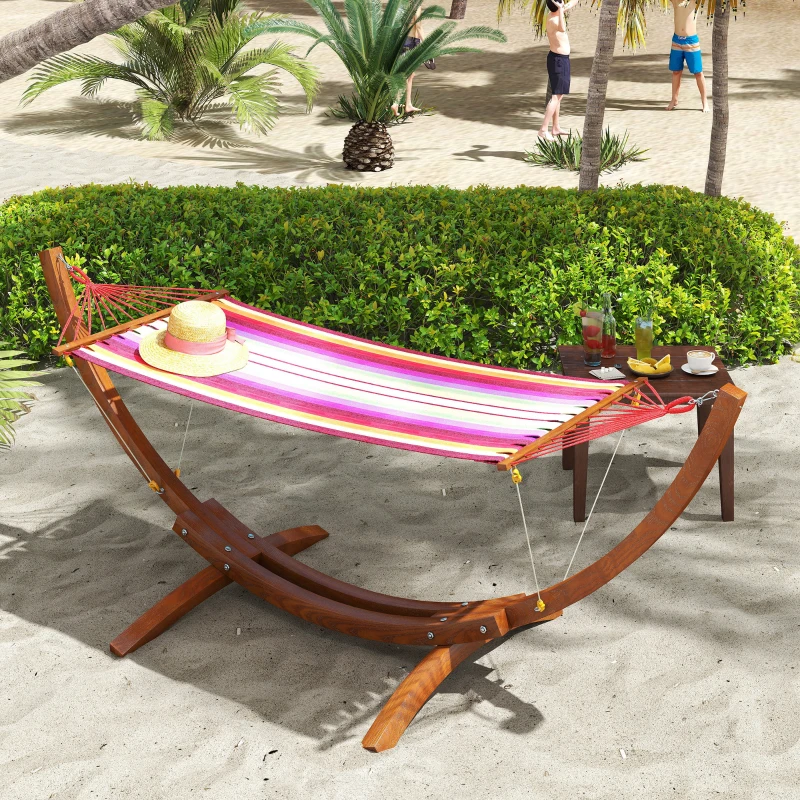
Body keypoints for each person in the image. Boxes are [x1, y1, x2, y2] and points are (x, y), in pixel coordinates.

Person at [538, 0, 580, 141]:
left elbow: (571, 4)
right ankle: (543, 129)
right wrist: (562, 9)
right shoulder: (556, 19)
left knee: (557, 94)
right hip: (559, 61)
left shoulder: (552, 14)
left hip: (555, 59)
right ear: (558, 6)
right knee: (557, 96)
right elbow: (562, 28)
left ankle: (555, 127)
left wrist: (566, 6)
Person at [666, 0, 709, 112]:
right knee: (676, 71)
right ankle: (674, 100)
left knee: (698, 72)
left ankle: (705, 101)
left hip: (691, 41)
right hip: (676, 41)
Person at [392, 7, 425, 116]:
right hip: (412, 41)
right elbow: (418, 27)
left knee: (410, 75)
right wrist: (427, 45)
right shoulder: (416, 5)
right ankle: (396, 102)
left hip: (403, 39)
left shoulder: (404, 4)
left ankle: (408, 104)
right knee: (407, 74)